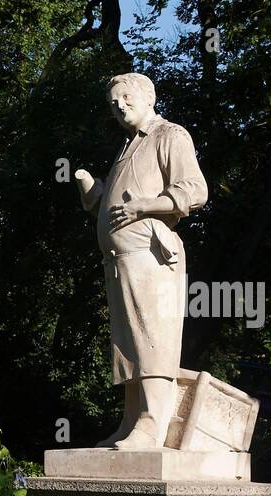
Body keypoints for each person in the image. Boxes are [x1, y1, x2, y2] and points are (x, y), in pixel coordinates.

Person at [73, 72, 208, 449]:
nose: (119, 105)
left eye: (126, 97)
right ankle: (132, 420)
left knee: (151, 338)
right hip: (118, 260)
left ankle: (152, 424)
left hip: (152, 255)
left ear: (148, 97)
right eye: (113, 102)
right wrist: (92, 188)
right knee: (128, 344)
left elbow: (195, 191)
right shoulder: (126, 146)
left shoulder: (170, 135)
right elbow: (114, 205)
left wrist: (144, 206)